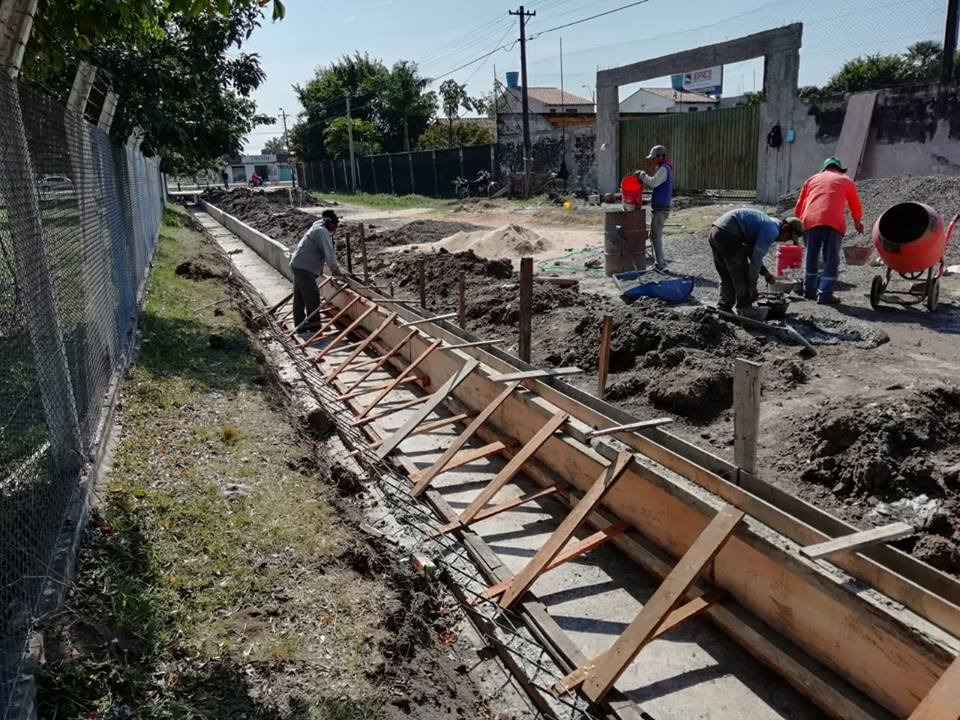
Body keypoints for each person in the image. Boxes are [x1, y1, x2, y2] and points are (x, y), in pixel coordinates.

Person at [794, 156, 864, 304]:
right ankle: (825, 294)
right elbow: (855, 204)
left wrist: (800, 222)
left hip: (810, 221)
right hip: (833, 222)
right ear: (839, 169)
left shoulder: (812, 180)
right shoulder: (845, 180)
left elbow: (800, 205)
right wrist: (857, 222)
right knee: (831, 258)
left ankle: (809, 291)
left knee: (811, 256)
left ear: (824, 168)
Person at [709, 209, 804, 316]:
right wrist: (752, 286)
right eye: (787, 237)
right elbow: (755, 260)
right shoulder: (772, 230)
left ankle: (724, 307)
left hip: (716, 231)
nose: (783, 241)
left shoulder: (770, 223)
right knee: (742, 273)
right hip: (729, 233)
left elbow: (750, 251)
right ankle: (744, 308)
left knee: (726, 274)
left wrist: (765, 272)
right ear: (785, 228)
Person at [290, 209, 341, 332]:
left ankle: (300, 326)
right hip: (304, 267)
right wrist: (336, 270)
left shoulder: (318, 225)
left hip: (298, 264)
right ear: (328, 222)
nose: (334, 229)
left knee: (300, 297)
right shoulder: (321, 232)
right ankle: (315, 327)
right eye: (334, 226)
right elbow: (329, 253)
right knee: (312, 296)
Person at [635, 144, 673, 270]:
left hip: (661, 209)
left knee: (656, 237)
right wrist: (649, 200)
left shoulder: (664, 169)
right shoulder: (663, 168)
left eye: (654, 158)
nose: (652, 160)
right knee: (654, 236)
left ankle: (660, 264)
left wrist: (642, 175)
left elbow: (654, 183)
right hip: (660, 208)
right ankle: (658, 262)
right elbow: (659, 188)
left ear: (660, 157)